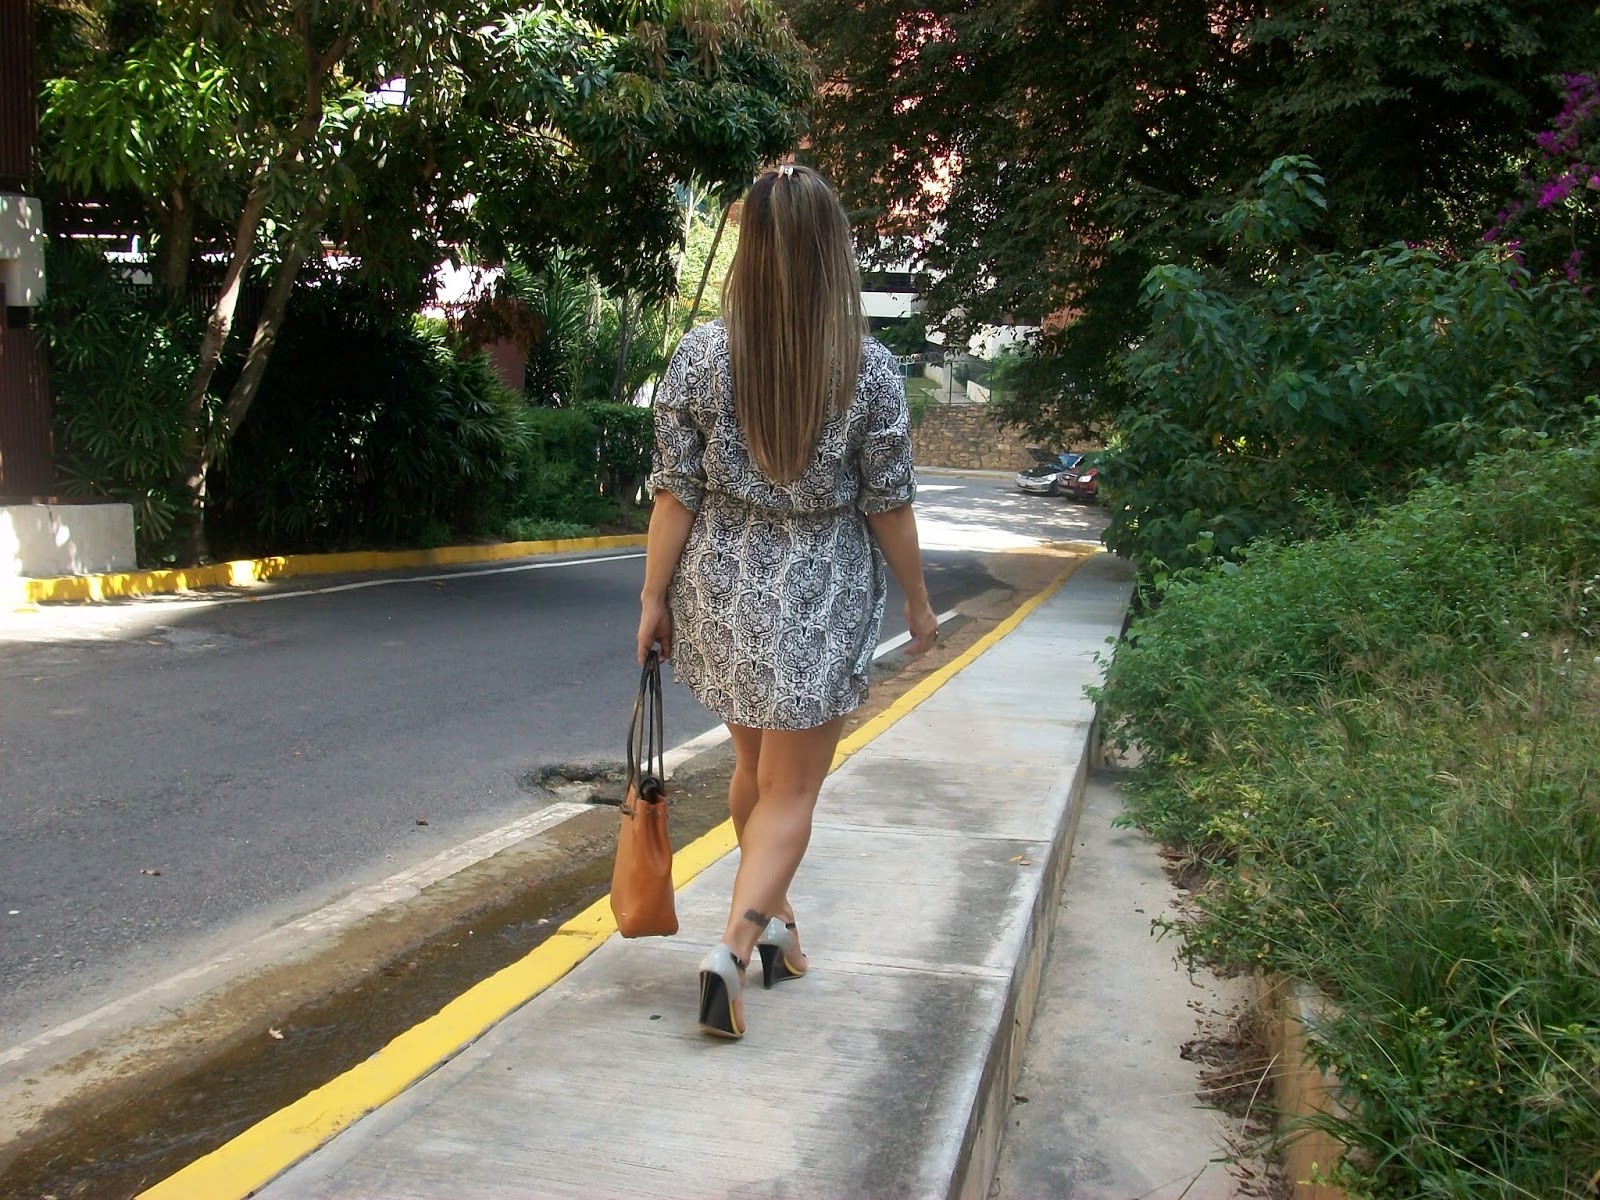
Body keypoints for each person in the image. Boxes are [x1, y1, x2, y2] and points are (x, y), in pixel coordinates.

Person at [636, 163, 938, 1040]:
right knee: (792, 789)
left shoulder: (701, 355)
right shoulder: (867, 370)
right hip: (820, 587)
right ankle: (731, 951)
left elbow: (675, 492)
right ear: (831, 249)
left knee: (756, 777)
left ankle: (781, 931)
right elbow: (888, 502)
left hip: (721, 582)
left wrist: (653, 598)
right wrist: (918, 602)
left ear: (752, 247)